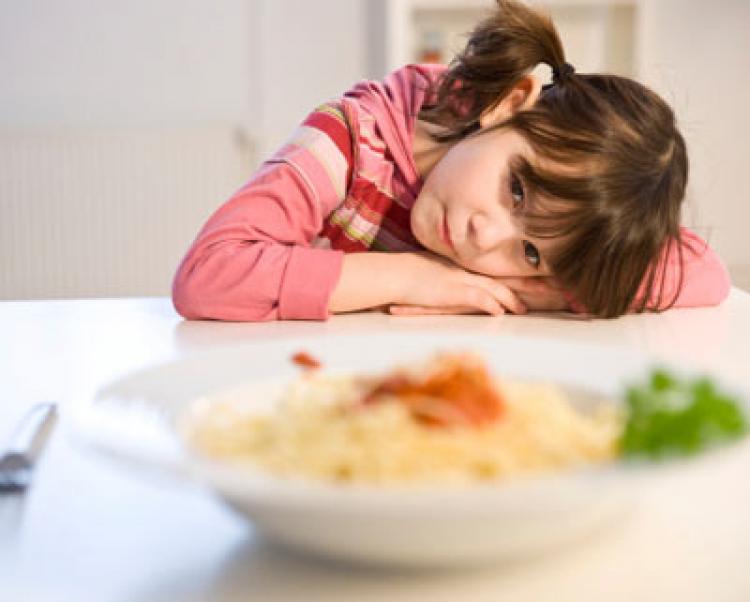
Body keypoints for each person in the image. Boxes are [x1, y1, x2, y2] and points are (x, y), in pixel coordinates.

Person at [172, 0, 730, 322]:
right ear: (509, 105)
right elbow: (207, 275)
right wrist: (411, 277)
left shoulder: (512, 243)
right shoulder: (350, 141)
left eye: (529, 251)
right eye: (517, 191)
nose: (484, 239)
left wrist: (537, 288)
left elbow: (707, 275)